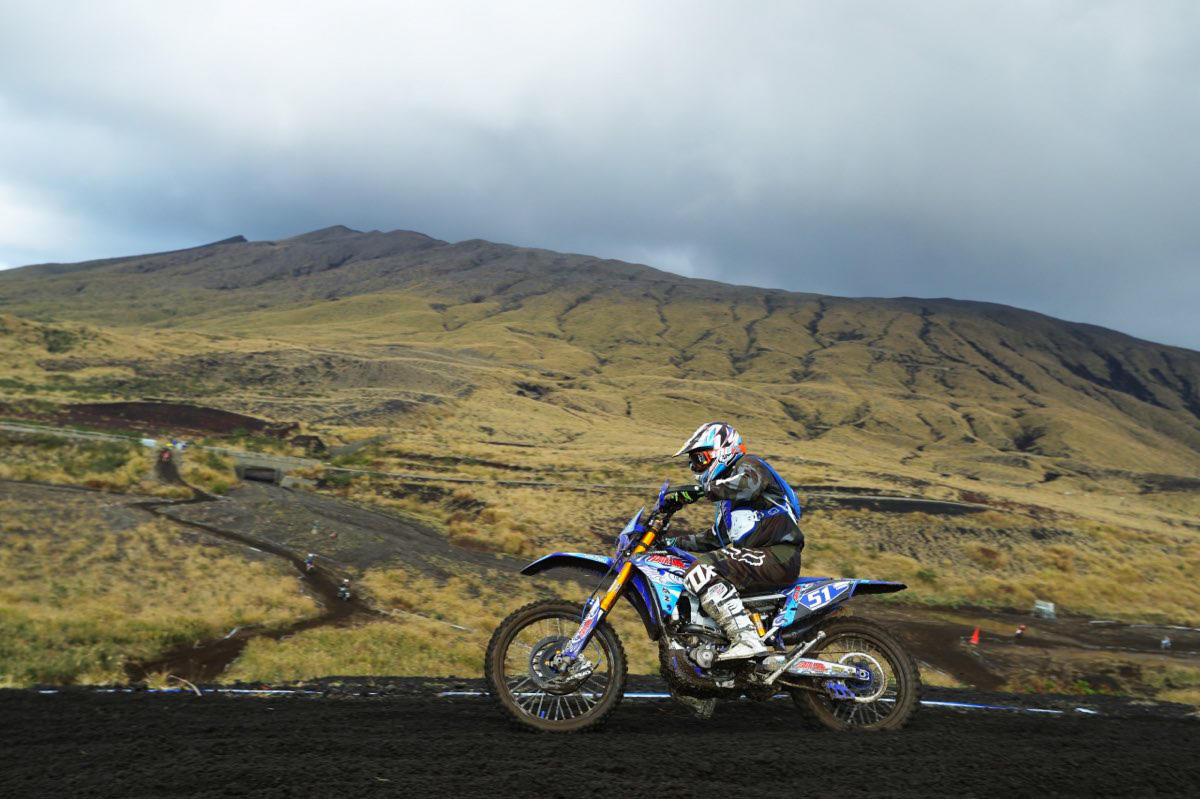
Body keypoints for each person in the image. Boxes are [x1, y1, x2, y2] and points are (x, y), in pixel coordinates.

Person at [660, 422, 805, 660]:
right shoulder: (727, 504)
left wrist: (702, 490)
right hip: (760, 558)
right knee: (696, 570)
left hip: (778, 555)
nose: (695, 466)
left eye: (700, 458)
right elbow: (715, 538)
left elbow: (750, 484)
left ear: (722, 450)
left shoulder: (749, 465)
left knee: (703, 570)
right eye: (692, 462)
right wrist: (672, 543)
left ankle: (746, 640)